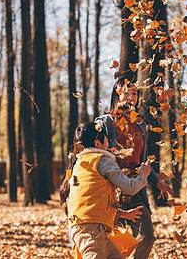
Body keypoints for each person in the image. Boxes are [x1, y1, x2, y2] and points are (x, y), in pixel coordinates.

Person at [95, 78, 175, 259]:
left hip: (136, 188)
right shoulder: (105, 122)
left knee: (147, 237)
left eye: (134, 93)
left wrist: (157, 181)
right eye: (126, 92)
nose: (131, 97)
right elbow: (97, 154)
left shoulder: (141, 126)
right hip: (111, 190)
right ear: (117, 95)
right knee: (110, 243)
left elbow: (143, 161)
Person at [59, 121, 152, 259]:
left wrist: (121, 214)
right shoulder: (102, 160)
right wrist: (143, 175)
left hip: (87, 227)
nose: (108, 142)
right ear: (97, 143)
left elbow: (91, 201)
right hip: (91, 230)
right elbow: (130, 187)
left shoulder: (81, 163)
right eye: (106, 139)